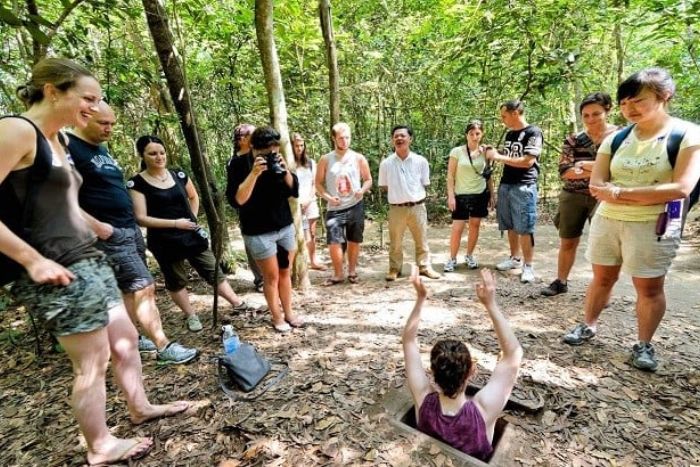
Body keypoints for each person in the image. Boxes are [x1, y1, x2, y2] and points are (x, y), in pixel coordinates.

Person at [0, 57, 189, 466]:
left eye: (98, 98)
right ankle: (99, 445)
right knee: (93, 360)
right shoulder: (15, 130)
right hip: (54, 266)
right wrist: (32, 261)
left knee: (124, 343)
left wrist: (94, 224)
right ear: (53, 91)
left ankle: (140, 407)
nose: (93, 106)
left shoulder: (60, 141)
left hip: (89, 256)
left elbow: (60, 202)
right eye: (87, 97)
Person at [563, 68, 700, 371]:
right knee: (602, 277)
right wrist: (627, 193)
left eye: (638, 101)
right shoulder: (618, 138)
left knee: (649, 287)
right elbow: (596, 183)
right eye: (624, 103)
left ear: (664, 97)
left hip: (655, 223)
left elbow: (681, 188)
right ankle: (588, 325)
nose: (629, 109)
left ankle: (644, 344)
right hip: (609, 219)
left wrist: (620, 191)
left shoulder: (686, 134)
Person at [69, 101, 197, 364]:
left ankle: (134, 338)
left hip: (128, 229)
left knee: (129, 290)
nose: (109, 129)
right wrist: (98, 227)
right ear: (83, 117)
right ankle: (164, 347)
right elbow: (60, 197)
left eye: (112, 124)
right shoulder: (68, 147)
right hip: (109, 234)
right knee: (144, 287)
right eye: (103, 123)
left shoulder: (99, 150)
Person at [128, 135, 249, 332]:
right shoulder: (137, 183)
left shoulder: (178, 175)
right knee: (176, 280)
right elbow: (140, 217)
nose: (159, 157)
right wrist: (176, 224)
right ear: (142, 155)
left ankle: (237, 303)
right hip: (164, 239)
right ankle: (191, 315)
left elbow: (194, 197)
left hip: (191, 234)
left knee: (212, 269)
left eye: (161, 153)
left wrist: (191, 219)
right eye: (152, 153)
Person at [402, 266, 523, 461]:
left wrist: (420, 299)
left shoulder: (423, 399)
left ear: (432, 373)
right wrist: (490, 304)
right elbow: (513, 354)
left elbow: (408, 342)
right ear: (471, 372)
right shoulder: (483, 410)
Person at [227, 126, 303, 333]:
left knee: (285, 273)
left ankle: (289, 313)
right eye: (265, 149)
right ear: (253, 146)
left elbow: (294, 190)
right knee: (271, 277)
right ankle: (276, 317)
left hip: (284, 226)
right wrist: (253, 174)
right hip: (259, 231)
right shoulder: (238, 165)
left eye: (274, 147)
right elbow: (238, 200)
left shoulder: (278, 159)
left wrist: (285, 169)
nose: (270, 152)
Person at [541, 93, 618, 296]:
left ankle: (602, 291)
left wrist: (583, 165)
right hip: (573, 196)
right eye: (586, 115)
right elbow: (565, 172)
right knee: (568, 240)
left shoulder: (620, 137)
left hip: (603, 197)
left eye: (596, 114)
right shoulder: (574, 139)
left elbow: (619, 169)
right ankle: (561, 281)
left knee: (602, 245)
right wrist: (601, 169)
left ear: (608, 111)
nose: (591, 119)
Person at [485, 100, 543, 283]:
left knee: (524, 227)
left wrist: (498, 157)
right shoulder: (510, 134)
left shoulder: (533, 132)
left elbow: (528, 161)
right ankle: (515, 258)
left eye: (504, 116)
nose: (502, 120)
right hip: (506, 184)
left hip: (523, 185)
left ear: (515, 113)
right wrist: (493, 151)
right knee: (509, 224)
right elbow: (511, 155)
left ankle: (528, 266)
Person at [378, 125, 441, 281]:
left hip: (418, 207)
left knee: (422, 239)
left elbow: (424, 183)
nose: (399, 139)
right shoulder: (386, 164)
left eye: (403, 136)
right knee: (395, 242)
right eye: (396, 136)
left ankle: (424, 267)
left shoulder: (421, 161)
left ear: (410, 139)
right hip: (396, 209)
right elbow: (384, 186)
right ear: (392, 140)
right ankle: (394, 269)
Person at [315, 122, 372, 285]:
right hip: (335, 207)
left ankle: (352, 271)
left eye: (347, 137)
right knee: (334, 241)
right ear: (334, 138)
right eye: (341, 138)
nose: (345, 141)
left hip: (355, 204)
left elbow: (368, 179)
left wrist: (362, 189)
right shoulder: (326, 159)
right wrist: (328, 197)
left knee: (354, 239)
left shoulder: (358, 158)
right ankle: (338, 273)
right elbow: (318, 184)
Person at [444, 120, 495, 272]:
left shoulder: (486, 151)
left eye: (477, 133)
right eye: (471, 134)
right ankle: (452, 259)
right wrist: (451, 196)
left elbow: (488, 175)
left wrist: (492, 193)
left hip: (479, 194)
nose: (474, 136)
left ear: (482, 134)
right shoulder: (457, 152)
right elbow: (450, 176)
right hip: (461, 195)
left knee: (475, 225)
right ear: (466, 135)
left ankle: (469, 255)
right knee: (457, 228)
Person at [226, 123, 264, 293]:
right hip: (248, 211)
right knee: (252, 245)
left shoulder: (261, 155)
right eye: (252, 135)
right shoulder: (234, 163)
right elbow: (234, 194)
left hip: (267, 208)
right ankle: (260, 278)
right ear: (242, 139)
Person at [292, 132, 327, 271]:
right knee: (294, 234)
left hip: (310, 202)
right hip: (293, 203)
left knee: (311, 234)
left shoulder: (311, 163)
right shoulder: (288, 163)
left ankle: (313, 261)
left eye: (301, 145)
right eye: (296, 146)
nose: (299, 148)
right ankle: (298, 262)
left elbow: (315, 183)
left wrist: (307, 200)